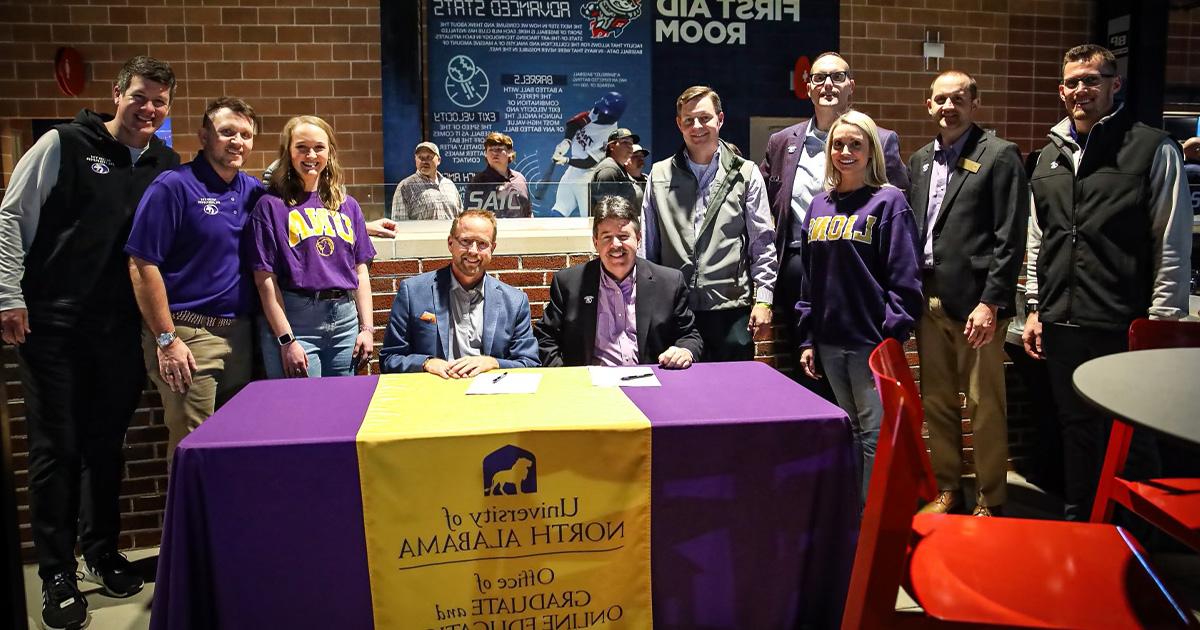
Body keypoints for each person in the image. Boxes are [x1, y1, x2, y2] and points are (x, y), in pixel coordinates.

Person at [0, 55, 178, 628]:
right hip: (52, 325)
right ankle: (56, 570)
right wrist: (8, 295)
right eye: (140, 97)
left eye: (159, 102)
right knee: (57, 448)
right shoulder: (63, 143)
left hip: (120, 330)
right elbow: (10, 216)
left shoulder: (164, 163)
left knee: (106, 445)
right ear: (117, 94)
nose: (148, 109)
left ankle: (101, 551)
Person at [1023, 44, 1191, 521]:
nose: (1082, 89)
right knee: (1075, 430)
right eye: (1073, 82)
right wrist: (1035, 307)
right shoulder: (1047, 157)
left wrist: (1161, 325)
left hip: (1124, 321)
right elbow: (1040, 239)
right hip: (1062, 320)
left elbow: (1171, 239)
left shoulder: (1152, 147)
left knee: (1132, 436)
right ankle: (1082, 522)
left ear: (1114, 84)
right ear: (1061, 91)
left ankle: (1142, 542)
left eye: (1092, 79)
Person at [906, 71, 1028, 517]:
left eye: (958, 98)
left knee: (983, 404)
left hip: (978, 305)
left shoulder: (999, 156)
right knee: (936, 402)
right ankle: (947, 489)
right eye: (940, 100)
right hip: (929, 299)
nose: (948, 107)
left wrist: (991, 303)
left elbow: (1009, 239)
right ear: (928, 105)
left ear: (975, 103)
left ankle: (991, 498)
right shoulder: (919, 161)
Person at [126, 97, 265, 464]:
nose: (237, 141)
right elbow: (142, 264)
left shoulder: (252, 190)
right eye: (227, 132)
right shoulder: (173, 186)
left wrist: (361, 226)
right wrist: (167, 340)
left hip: (241, 337)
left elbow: (294, 221)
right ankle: (188, 524)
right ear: (204, 136)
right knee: (195, 451)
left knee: (236, 447)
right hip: (189, 336)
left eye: (246, 135)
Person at [761, 52, 908, 395]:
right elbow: (767, 206)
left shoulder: (882, 140)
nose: (828, 84)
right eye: (819, 77)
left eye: (838, 77)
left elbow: (898, 217)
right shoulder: (782, 142)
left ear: (851, 86)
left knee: (861, 383)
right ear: (808, 87)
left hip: (859, 269)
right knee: (807, 367)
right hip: (799, 268)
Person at [795, 110, 922, 504]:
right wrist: (807, 338)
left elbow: (906, 277)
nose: (845, 151)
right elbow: (809, 280)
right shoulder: (818, 206)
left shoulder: (889, 202)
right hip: (830, 342)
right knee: (851, 429)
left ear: (871, 152)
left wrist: (891, 335)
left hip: (871, 343)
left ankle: (871, 524)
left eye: (856, 144)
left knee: (873, 434)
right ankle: (853, 518)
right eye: (838, 144)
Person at [640, 85, 778, 361]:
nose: (697, 126)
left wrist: (763, 300)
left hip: (730, 308)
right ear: (679, 124)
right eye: (689, 120)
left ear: (720, 119)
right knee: (679, 395)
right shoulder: (658, 174)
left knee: (733, 394)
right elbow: (648, 246)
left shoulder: (746, 173)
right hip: (675, 310)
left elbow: (762, 245)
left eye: (704, 118)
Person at [247, 115, 377, 378]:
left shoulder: (347, 205)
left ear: (330, 153)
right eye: (301, 147)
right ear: (288, 152)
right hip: (297, 320)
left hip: (344, 320)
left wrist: (367, 328)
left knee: (343, 408)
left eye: (319, 147)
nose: (311, 154)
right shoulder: (271, 206)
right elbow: (265, 280)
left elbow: (360, 270)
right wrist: (286, 340)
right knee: (302, 412)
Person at [535, 195, 703, 368]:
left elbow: (690, 335)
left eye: (623, 236)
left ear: (638, 239)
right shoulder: (569, 284)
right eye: (607, 237)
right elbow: (546, 338)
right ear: (595, 242)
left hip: (651, 384)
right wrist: (567, 378)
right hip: (590, 387)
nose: (616, 244)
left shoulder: (669, 283)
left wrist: (684, 351)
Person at [380, 209, 539, 376]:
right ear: (450, 243)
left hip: (491, 396)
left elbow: (529, 362)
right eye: (466, 241)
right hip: (434, 392)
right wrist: (426, 363)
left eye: (482, 244)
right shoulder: (413, 292)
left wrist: (493, 363)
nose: (473, 250)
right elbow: (390, 359)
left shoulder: (515, 302)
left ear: (493, 248)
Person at [262, 158, 398, 237]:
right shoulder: (271, 203)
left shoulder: (344, 199)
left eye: (319, 147)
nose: (311, 155)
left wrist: (363, 227)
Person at [546, 91, 627, 217]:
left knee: (589, 221)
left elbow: (588, 162)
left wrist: (566, 160)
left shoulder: (609, 135)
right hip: (572, 172)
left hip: (587, 180)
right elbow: (574, 123)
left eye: (605, 113)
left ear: (614, 117)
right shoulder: (598, 111)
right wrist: (567, 141)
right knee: (559, 211)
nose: (600, 114)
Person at [465, 131, 531, 218]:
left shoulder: (520, 178)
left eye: (499, 149)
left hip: (518, 230)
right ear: (486, 154)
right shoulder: (478, 181)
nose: (494, 153)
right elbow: (470, 217)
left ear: (509, 152)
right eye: (491, 150)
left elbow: (528, 212)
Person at [391, 141, 461, 221]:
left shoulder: (449, 185)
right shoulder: (405, 186)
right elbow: (399, 223)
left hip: (449, 233)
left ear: (439, 160)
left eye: (429, 157)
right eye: (420, 157)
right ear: (415, 160)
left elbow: (460, 218)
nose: (424, 161)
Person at [587, 127, 640, 211]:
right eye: (625, 142)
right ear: (612, 146)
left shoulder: (618, 167)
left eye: (631, 143)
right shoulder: (609, 169)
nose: (630, 146)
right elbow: (606, 210)